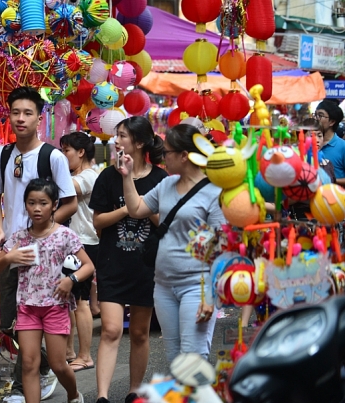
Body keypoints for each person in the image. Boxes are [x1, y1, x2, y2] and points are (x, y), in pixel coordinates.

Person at [0, 86, 78, 403]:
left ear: (39, 118)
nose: (20, 119)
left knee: (41, 317)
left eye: (28, 113)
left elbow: (70, 203)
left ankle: (30, 381)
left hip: (46, 256)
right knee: (10, 321)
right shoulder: (3, 154)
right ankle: (44, 367)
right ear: (8, 115)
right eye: (15, 112)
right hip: (13, 251)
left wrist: (44, 229)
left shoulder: (53, 157)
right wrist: (0, 232)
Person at [119, 123, 225, 364]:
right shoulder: (167, 184)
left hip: (196, 286)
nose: (162, 156)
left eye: (167, 152)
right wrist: (127, 177)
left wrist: (211, 296)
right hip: (164, 284)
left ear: (184, 156)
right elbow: (136, 209)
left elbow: (222, 247)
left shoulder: (213, 192)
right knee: (174, 357)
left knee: (193, 356)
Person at [0, 178, 94, 403]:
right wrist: (9, 257)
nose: (37, 209)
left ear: (54, 205)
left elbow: (88, 266)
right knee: (29, 363)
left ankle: (73, 394)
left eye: (43, 203)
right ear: (25, 205)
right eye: (31, 203)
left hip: (56, 306)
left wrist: (71, 280)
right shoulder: (19, 238)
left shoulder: (65, 235)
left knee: (58, 364)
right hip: (27, 307)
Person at [88, 117, 168, 403]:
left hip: (146, 266)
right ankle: (102, 396)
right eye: (116, 135)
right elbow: (98, 222)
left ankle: (134, 391)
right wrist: (127, 209)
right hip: (112, 263)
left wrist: (140, 204)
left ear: (139, 142)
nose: (116, 141)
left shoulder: (160, 179)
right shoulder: (107, 177)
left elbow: (164, 222)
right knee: (110, 329)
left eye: (122, 136)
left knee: (139, 332)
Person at [59, 132, 99, 371]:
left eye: (67, 151)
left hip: (85, 244)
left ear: (81, 152)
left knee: (81, 301)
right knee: (71, 300)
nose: (64, 156)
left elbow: (67, 188)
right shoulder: (77, 174)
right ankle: (69, 351)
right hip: (74, 243)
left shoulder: (88, 176)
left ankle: (85, 356)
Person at [314, 99, 345, 186]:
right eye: (315, 115)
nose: (315, 119)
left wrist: (330, 179)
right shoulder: (310, 143)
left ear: (332, 122)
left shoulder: (343, 147)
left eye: (320, 115)